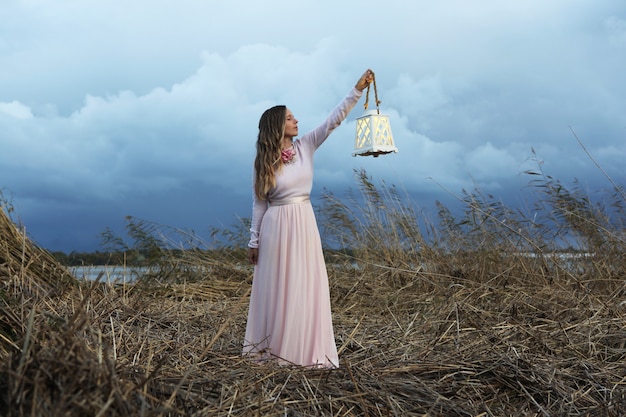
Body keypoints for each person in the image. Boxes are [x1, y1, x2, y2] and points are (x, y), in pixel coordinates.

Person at [243, 69, 375, 368]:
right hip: (275, 228)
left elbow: (333, 120)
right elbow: (259, 202)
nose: (297, 121)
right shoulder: (263, 161)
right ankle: (273, 349)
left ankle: (304, 350)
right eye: (290, 118)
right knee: (277, 287)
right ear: (278, 125)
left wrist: (356, 90)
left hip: (303, 222)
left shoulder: (306, 146)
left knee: (305, 284)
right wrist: (254, 240)